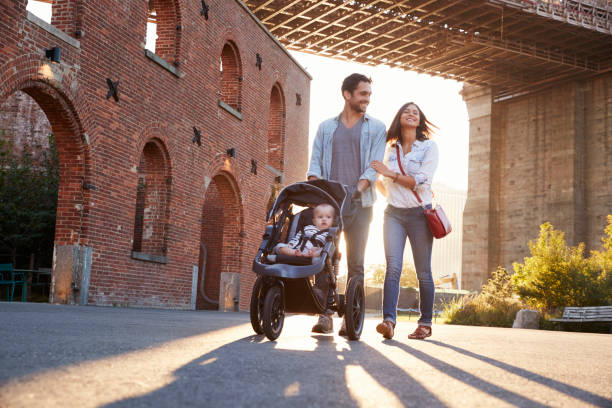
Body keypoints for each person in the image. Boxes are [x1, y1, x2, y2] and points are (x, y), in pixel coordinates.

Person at [307, 73, 386, 335]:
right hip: (329, 203)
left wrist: (357, 190)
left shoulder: (376, 128)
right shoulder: (326, 127)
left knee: (356, 261)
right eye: (363, 94)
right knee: (325, 257)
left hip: (360, 203)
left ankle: (350, 318)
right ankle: (325, 315)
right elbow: (315, 162)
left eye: (369, 95)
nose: (367, 99)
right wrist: (319, 188)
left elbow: (374, 167)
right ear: (347, 94)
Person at [370, 102, 439, 340]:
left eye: (415, 112)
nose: (410, 114)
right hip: (393, 214)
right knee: (393, 268)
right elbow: (383, 182)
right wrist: (381, 183)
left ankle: (425, 323)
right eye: (406, 111)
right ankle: (388, 321)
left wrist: (389, 174)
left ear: (420, 120)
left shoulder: (429, 147)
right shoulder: (391, 149)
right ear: (399, 117)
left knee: (423, 272)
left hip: (420, 214)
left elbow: (420, 180)